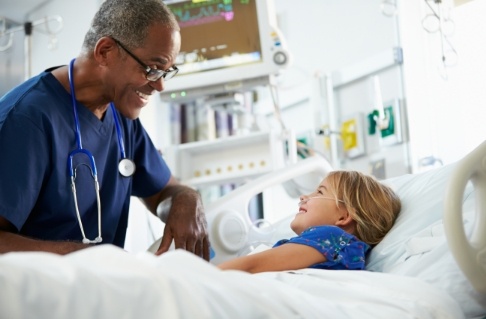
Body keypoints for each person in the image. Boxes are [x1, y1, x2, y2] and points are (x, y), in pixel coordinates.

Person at [0, 0, 210, 260]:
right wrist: (79, 257)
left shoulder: (121, 117)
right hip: (36, 295)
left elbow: (164, 192)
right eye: (152, 69)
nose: (159, 87)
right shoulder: (28, 120)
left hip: (99, 289)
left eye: (167, 72)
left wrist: (186, 199)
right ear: (105, 52)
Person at [218, 170, 401, 273]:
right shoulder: (341, 248)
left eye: (320, 192)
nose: (304, 196)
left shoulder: (333, 238)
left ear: (344, 217)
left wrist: (201, 276)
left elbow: (252, 266)